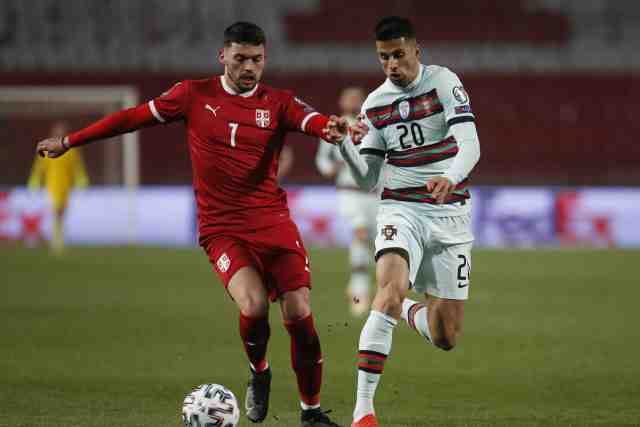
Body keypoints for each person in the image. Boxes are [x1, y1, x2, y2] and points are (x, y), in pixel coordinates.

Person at [35, 22, 343, 427]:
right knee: (253, 305)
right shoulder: (192, 95)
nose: (249, 67)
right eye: (240, 58)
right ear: (223, 56)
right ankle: (260, 371)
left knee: (299, 311)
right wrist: (69, 141)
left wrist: (331, 127)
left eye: (257, 59)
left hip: (273, 222)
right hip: (222, 228)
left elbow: (312, 119)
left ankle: (311, 413)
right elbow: (130, 118)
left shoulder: (278, 102)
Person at [327, 16, 481, 427]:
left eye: (398, 54)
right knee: (390, 289)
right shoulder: (375, 105)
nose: (392, 64)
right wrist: (344, 145)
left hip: (450, 211)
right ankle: (363, 411)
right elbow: (368, 178)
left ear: (416, 50)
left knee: (446, 336)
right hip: (401, 209)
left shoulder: (444, 82)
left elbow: (470, 144)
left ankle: (405, 310)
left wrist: (451, 177)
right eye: (384, 57)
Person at [315, 87, 378, 317]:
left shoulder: (372, 126)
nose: (352, 101)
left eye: (356, 98)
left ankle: (364, 288)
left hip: (375, 195)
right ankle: (360, 294)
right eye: (348, 98)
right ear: (341, 102)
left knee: (376, 244)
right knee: (360, 235)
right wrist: (332, 168)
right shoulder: (334, 126)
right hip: (349, 193)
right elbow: (323, 160)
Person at [28, 121, 89, 253]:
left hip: (66, 186)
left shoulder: (71, 150)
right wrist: (35, 180)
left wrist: (81, 180)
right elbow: (39, 168)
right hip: (51, 185)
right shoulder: (47, 149)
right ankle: (55, 241)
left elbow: (77, 167)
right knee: (55, 212)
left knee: (62, 213)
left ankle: (58, 238)